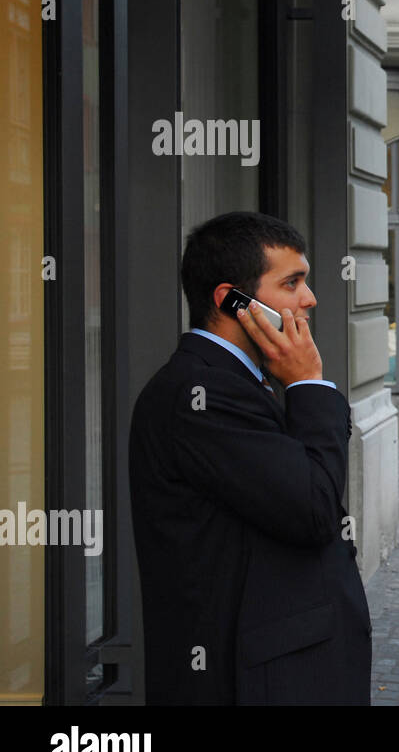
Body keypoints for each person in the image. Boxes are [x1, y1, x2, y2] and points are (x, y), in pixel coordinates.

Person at [129, 211, 370, 704]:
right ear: (232, 301)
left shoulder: (236, 381)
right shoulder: (203, 392)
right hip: (250, 680)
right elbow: (313, 507)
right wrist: (308, 385)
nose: (310, 298)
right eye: (292, 282)